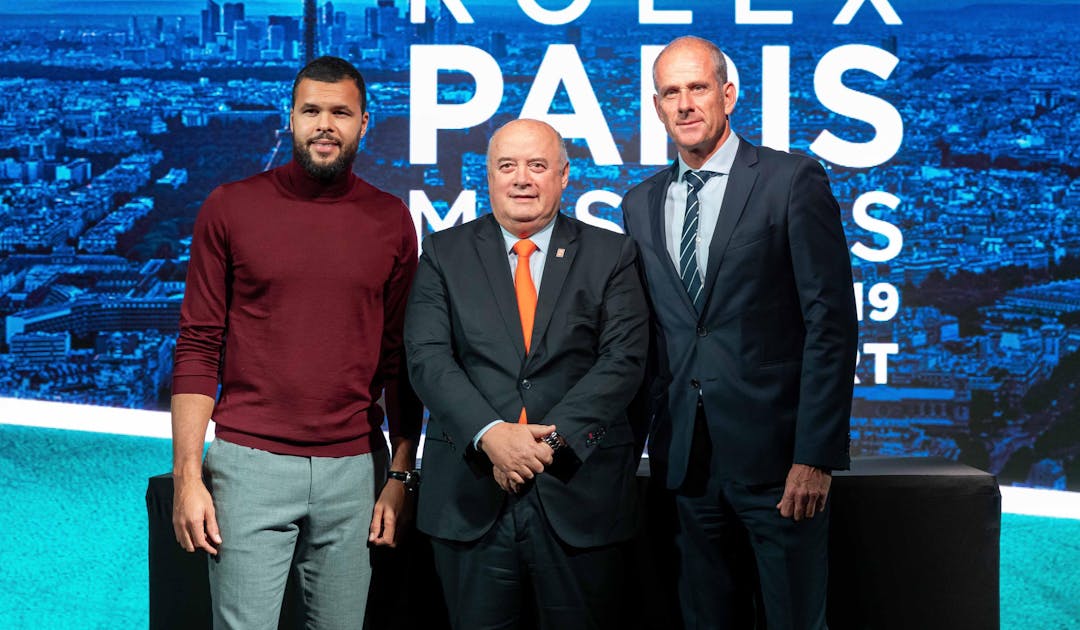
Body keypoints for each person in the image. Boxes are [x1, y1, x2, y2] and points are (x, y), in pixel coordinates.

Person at [170, 55, 421, 629]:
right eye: (311, 110)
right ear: (290, 118)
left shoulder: (391, 219)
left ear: (364, 122)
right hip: (248, 466)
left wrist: (401, 475)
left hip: (354, 471)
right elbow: (198, 345)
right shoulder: (229, 207)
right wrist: (188, 477)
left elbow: (401, 360)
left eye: (340, 112)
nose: (324, 124)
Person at [621, 36, 859, 629]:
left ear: (727, 94)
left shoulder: (791, 179)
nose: (685, 104)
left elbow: (832, 324)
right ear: (656, 106)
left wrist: (815, 456)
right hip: (685, 464)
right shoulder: (639, 202)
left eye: (697, 88)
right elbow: (651, 339)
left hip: (780, 463)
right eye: (670, 93)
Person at [405, 118, 649, 630]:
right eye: (507, 166)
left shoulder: (612, 254)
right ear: (487, 177)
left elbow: (622, 361)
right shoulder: (443, 254)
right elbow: (428, 359)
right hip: (471, 497)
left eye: (537, 166)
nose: (522, 179)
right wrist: (493, 436)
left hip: (578, 495)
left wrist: (545, 444)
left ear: (564, 176)